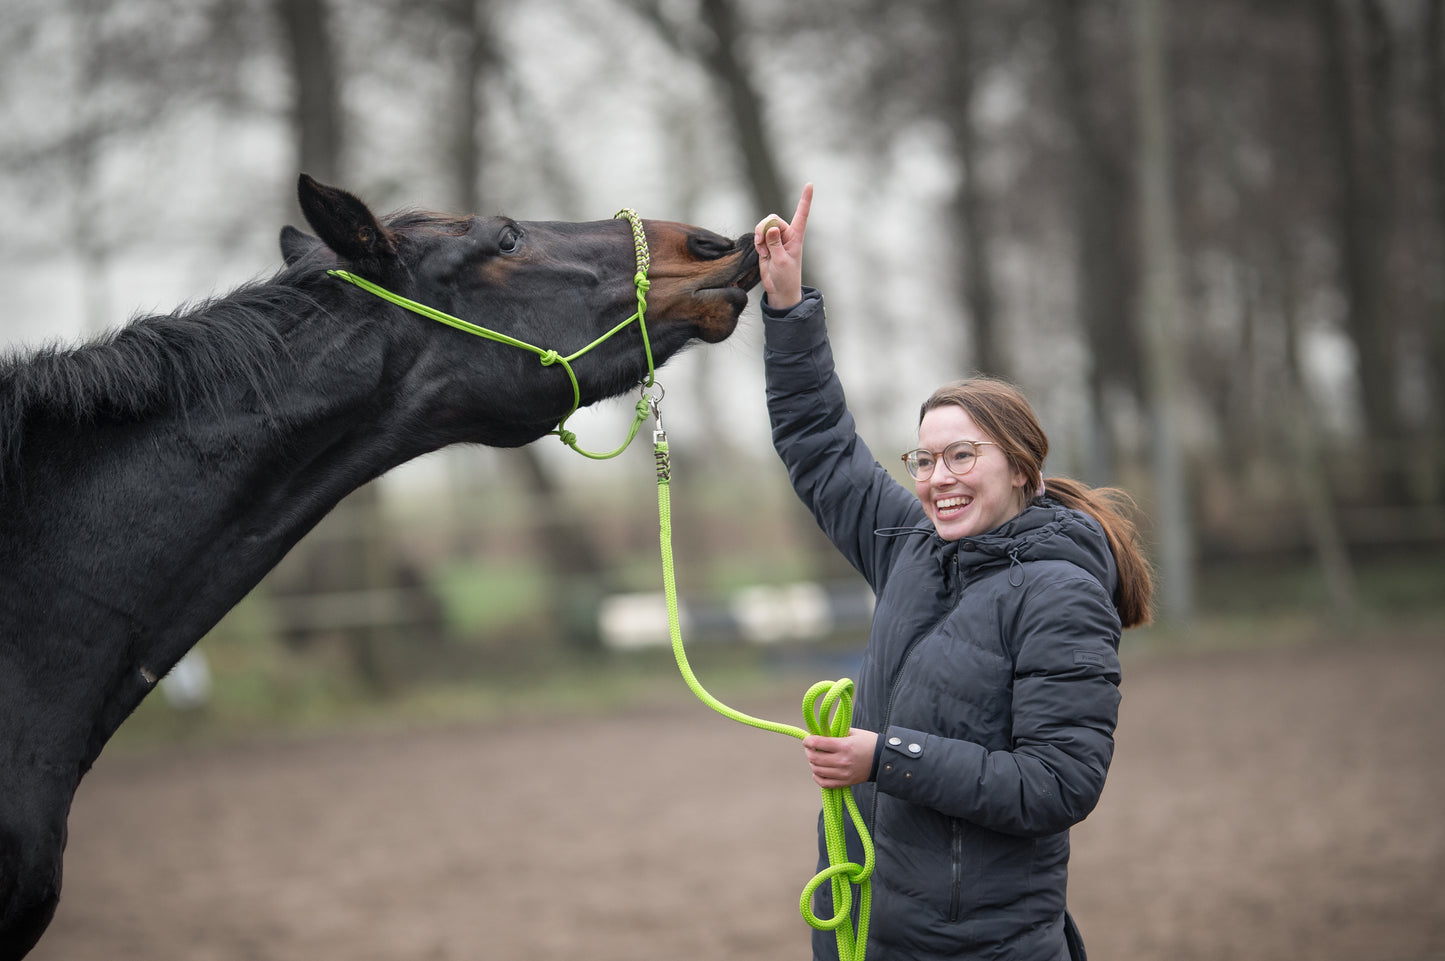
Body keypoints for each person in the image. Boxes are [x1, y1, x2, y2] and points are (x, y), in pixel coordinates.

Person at [752, 184, 1154, 961]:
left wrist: (884, 757)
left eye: (963, 455)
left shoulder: (1061, 592)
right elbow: (821, 447)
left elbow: (1056, 784)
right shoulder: (908, 545)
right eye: (925, 459)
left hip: (981, 947)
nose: (938, 477)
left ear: (1022, 469)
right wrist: (787, 305)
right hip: (864, 929)